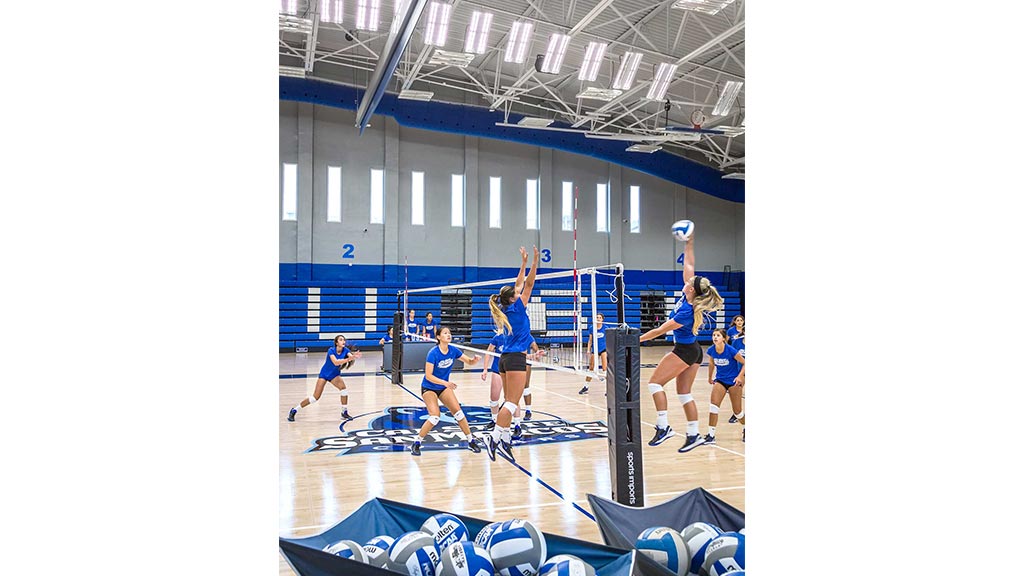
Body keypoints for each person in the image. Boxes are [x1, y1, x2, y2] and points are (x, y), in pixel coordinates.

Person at [638, 231, 724, 453]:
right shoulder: (688, 294)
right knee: (684, 393)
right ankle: (694, 434)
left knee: (655, 384)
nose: (686, 281)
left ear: (692, 289)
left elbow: (659, 330)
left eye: (689, 282)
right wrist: (690, 242)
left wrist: (634, 340)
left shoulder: (687, 311)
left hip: (685, 350)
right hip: (693, 350)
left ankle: (663, 426)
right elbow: (689, 263)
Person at [484, 245, 539, 462]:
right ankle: (494, 436)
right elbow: (529, 283)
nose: (520, 291)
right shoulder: (518, 307)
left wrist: (523, 263)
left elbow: (519, 283)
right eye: (517, 293)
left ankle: (505, 440)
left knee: (509, 399)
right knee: (512, 403)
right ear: (513, 299)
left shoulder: (505, 308)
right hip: (516, 359)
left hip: (504, 360)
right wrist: (534, 262)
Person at [410, 326, 483, 456]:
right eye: (445, 333)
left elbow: (469, 362)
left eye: (449, 333)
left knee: (459, 413)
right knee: (435, 417)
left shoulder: (453, 350)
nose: (448, 335)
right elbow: (428, 376)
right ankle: (417, 443)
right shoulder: (433, 353)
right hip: (429, 387)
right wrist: (446, 383)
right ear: (438, 337)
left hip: (443, 387)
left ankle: (471, 441)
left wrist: (474, 360)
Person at [288, 335, 363, 422]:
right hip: (324, 374)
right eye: (341, 340)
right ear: (336, 343)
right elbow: (335, 362)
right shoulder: (331, 350)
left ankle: (344, 412)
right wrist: (348, 359)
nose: (343, 342)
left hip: (334, 375)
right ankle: (294, 410)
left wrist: (353, 356)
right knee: (315, 398)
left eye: (344, 340)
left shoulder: (346, 350)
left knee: (344, 391)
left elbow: (350, 356)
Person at [703, 328, 745, 445]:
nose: (715, 337)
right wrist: (709, 377)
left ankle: (746, 427)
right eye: (713, 335)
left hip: (733, 382)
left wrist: (740, 377)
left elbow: (745, 363)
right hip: (720, 381)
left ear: (724, 338)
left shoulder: (731, 350)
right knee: (713, 407)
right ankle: (711, 435)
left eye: (718, 335)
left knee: (737, 412)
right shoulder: (712, 350)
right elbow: (711, 364)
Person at [480, 330, 506, 432]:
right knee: (494, 398)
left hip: (510, 370)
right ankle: (494, 420)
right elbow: (488, 352)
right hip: (497, 369)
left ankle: (517, 425)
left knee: (511, 399)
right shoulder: (497, 337)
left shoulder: (516, 336)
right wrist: (485, 369)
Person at [578, 313, 608, 395]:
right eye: (597, 317)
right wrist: (588, 350)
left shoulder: (605, 328)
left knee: (605, 369)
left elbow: (609, 339)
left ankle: (608, 389)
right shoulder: (592, 328)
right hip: (595, 350)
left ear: (602, 319)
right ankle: (586, 387)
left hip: (603, 349)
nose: (598, 319)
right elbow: (590, 340)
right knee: (591, 368)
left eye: (600, 318)